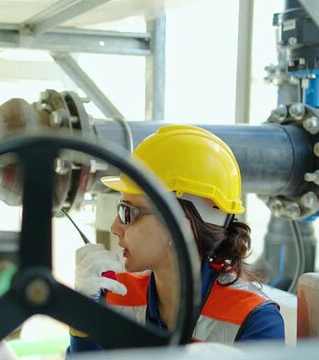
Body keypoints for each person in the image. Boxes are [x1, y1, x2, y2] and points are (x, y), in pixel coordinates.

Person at [69, 124, 285, 352]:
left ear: (177, 225)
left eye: (127, 212)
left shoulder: (256, 321)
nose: (115, 227)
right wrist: (82, 321)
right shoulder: (115, 295)